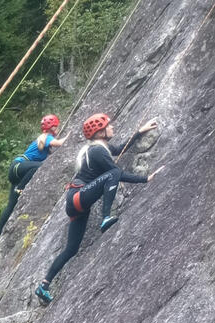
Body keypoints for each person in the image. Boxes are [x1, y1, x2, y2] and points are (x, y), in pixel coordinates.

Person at [35, 114, 162, 305]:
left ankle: (44, 285)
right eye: (109, 126)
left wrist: (139, 131)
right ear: (100, 132)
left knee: (71, 248)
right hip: (78, 197)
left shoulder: (99, 148)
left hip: (76, 202)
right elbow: (116, 174)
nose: (112, 128)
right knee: (113, 173)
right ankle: (105, 217)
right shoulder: (96, 152)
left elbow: (120, 149)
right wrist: (145, 179)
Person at [0, 114, 66, 239]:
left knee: (12, 204)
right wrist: (71, 135)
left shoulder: (44, 140)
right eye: (56, 126)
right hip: (19, 165)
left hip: (17, 172)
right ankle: (20, 188)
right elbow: (59, 143)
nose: (58, 128)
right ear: (52, 128)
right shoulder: (46, 137)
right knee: (39, 166)